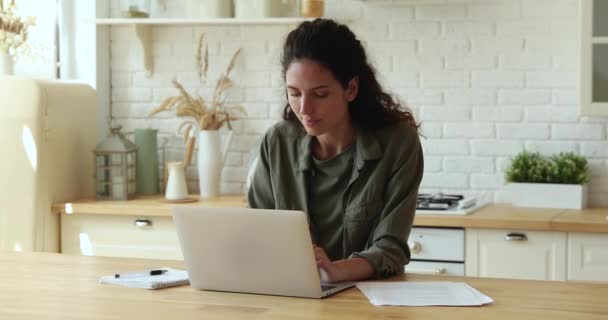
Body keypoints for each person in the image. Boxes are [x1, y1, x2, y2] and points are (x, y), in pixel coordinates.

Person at [247, 18, 424, 282]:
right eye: (294, 93)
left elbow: (391, 247)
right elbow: (258, 233)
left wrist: (335, 270)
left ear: (350, 89)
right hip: (293, 295)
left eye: (319, 94)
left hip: (368, 299)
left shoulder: (398, 143)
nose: (304, 109)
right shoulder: (277, 142)